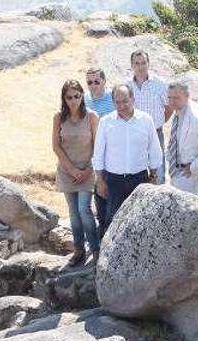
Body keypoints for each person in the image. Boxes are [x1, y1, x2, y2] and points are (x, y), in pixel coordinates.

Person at [93, 84, 162, 226]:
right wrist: (100, 180)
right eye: (117, 102)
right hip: (113, 181)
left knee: (140, 220)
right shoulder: (106, 122)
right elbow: (98, 153)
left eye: (125, 101)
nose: (121, 106)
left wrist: (154, 175)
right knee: (112, 220)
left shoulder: (146, 120)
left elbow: (154, 149)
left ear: (133, 99)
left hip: (139, 179)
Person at [52, 80, 100, 266]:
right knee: (73, 212)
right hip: (67, 171)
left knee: (84, 210)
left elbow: (98, 146)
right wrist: (71, 169)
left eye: (77, 96)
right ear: (64, 99)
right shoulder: (58, 117)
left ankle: (95, 249)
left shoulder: (92, 117)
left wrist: (88, 170)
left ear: (82, 96)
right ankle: (79, 249)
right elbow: (56, 146)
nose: (73, 101)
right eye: (69, 97)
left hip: (87, 170)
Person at [127, 49, 171, 185]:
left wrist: (160, 121)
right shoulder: (127, 85)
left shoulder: (160, 84)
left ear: (148, 64)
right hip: (133, 133)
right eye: (137, 63)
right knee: (137, 173)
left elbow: (169, 106)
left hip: (155, 133)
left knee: (158, 172)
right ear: (132, 65)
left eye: (143, 63)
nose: (140, 67)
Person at [84, 67, 114, 240]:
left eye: (97, 81)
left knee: (112, 190)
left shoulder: (112, 97)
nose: (93, 85)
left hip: (113, 153)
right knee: (98, 190)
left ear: (104, 81)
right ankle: (101, 228)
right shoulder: (85, 100)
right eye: (89, 82)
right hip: (93, 153)